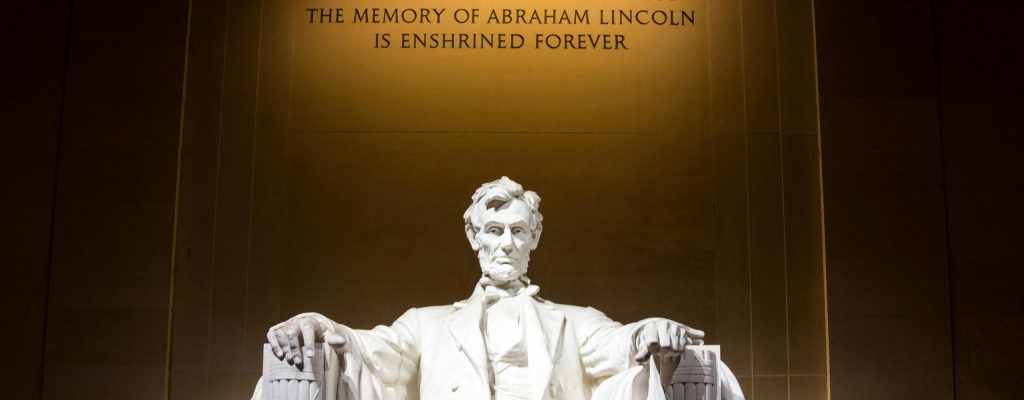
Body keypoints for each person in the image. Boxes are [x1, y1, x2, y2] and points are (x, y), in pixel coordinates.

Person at [254, 177, 743, 400]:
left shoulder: (575, 320)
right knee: (313, 355)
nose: (506, 243)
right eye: (493, 230)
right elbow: (370, 348)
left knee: (690, 365)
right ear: (474, 237)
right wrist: (318, 324)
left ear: (534, 238)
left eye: (518, 231)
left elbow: (620, 344)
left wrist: (649, 331)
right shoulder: (426, 323)